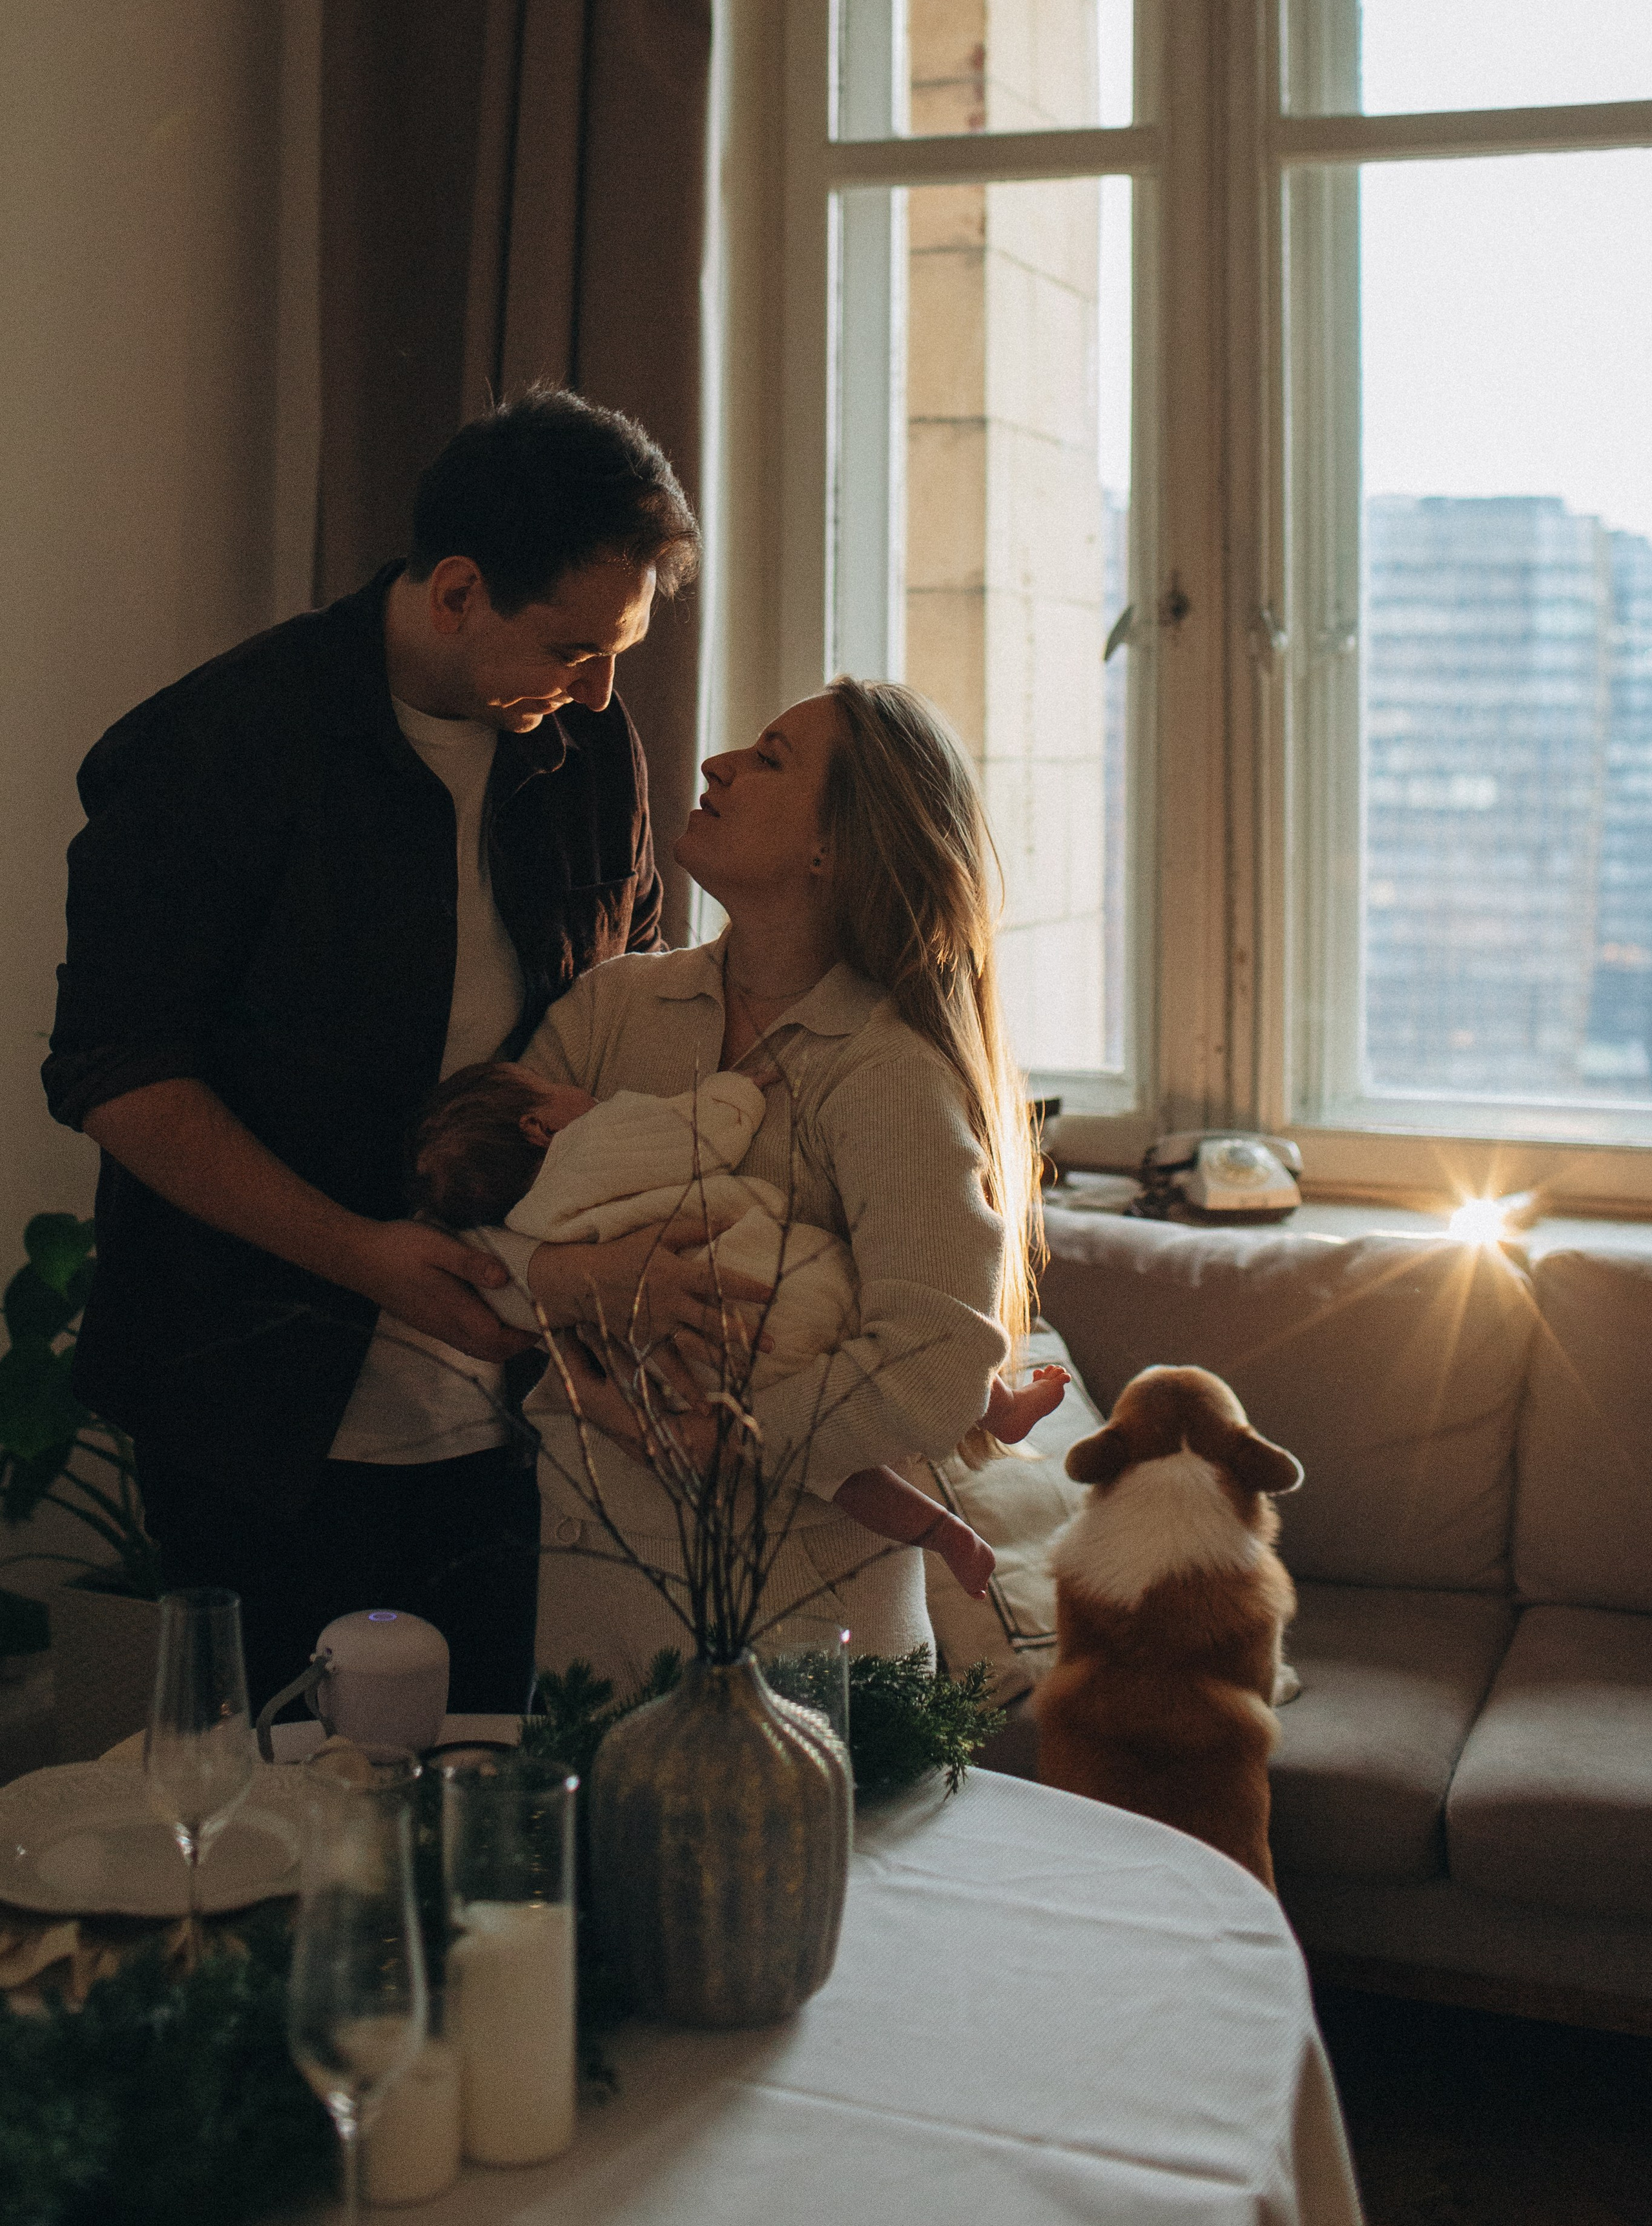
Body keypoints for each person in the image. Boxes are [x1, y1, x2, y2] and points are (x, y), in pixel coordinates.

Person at [41, 387, 734, 1716]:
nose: (602, 692)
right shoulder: (215, 747)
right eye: (574, 648)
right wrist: (360, 1254)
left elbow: (629, 1008)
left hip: (517, 1409)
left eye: (620, 652)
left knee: (495, 1789)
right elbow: (119, 1076)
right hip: (257, 1403)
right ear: (458, 590)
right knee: (288, 1799)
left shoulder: (587, 744)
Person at [472, 675, 1045, 1685]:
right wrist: (587, 1281)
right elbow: (471, 1231)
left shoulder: (887, 1071)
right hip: (588, 1598)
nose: (715, 764)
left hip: (809, 1636)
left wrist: (728, 1438)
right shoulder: (613, 1008)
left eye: (770, 758)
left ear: (834, 848)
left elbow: (934, 1359)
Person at [408, 1058, 1069, 1600]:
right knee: (876, 1327)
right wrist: (735, 1091)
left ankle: (946, 1536)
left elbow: (497, 1279)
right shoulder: (593, 1140)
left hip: (694, 1364)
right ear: (537, 1127)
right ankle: (999, 1406)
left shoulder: (519, 1224)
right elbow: (699, 1134)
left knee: (825, 1469)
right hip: (766, 1282)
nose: (578, 1090)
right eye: (555, 1088)